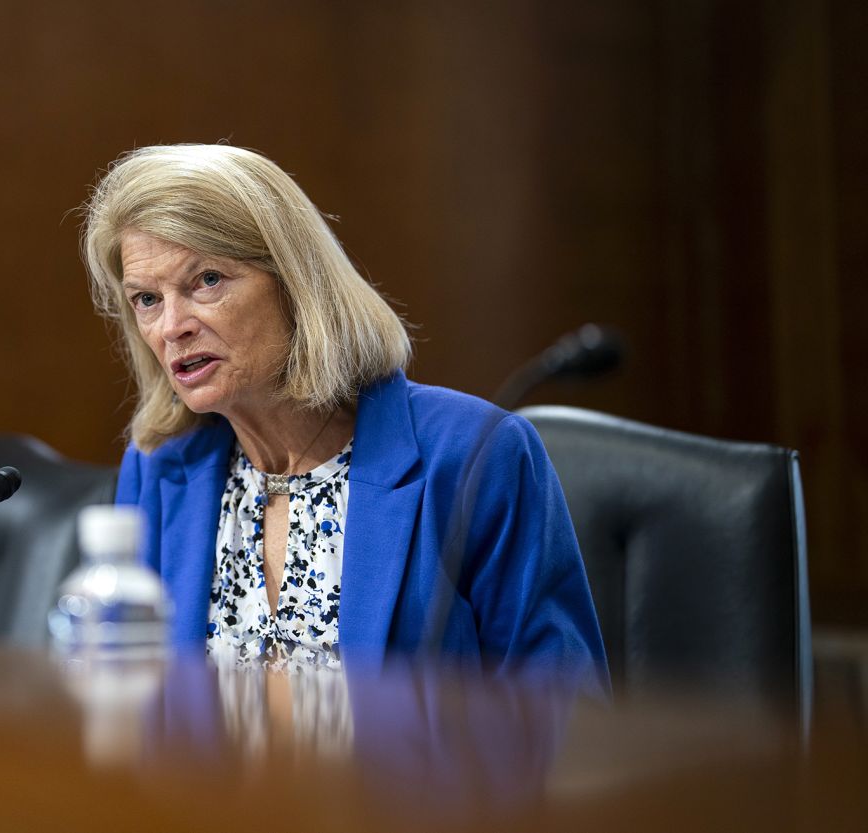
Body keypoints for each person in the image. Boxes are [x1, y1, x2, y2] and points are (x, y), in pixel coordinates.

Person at [81, 144, 607, 693]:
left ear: (294, 283)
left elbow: (565, 717)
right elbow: (129, 715)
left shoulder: (475, 455)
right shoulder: (160, 471)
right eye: (146, 299)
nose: (171, 327)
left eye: (206, 280)